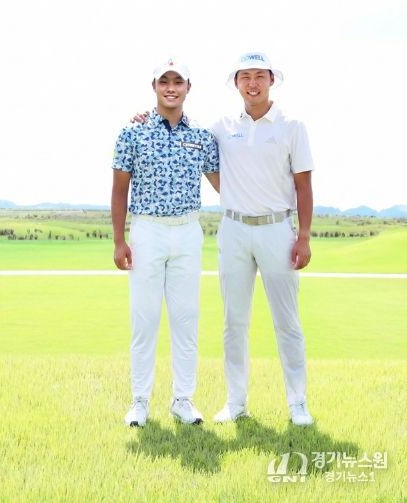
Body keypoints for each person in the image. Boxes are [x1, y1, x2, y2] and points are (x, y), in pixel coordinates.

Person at [111, 59, 219, 427]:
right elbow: (119, 189)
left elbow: (225, 184)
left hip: (188, 231)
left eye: (177, 82)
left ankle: (182, 400)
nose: (171, 88)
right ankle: (140, 402)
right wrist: (119, 241)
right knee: (144, 319)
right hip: (147, 231)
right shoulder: (132, 132)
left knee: (186, 319)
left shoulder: (202, 136)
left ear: (188, 87)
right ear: (154, 86)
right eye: (164, 82)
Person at [212, 52, 314, 426]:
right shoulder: (221, 127)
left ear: (272, 80)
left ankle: (297, 403)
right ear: (236, 82)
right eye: (245, 76)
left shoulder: (292, 126)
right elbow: (187, 140)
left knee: (287, 322)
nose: (252, 83)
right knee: (233, 322)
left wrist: (303, 236)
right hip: (234, 230)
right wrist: (144, 116)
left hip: (277, 230)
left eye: (259, 76)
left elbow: (303, 185)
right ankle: (236, 402)